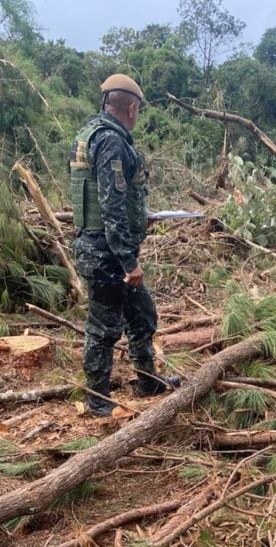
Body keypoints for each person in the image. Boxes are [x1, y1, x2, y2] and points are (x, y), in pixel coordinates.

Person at [69, 73, 178, 417]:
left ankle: (147, 381)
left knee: (142, 314)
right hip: (107, 254)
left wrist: (142, 216)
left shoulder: (90, 134)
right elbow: (110, 205)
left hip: (104, 246)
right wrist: (129, 263)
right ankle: (97, 400)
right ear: (131, 107)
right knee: (104, 327)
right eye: (138, 110)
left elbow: (112, 200)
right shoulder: (112, 142)